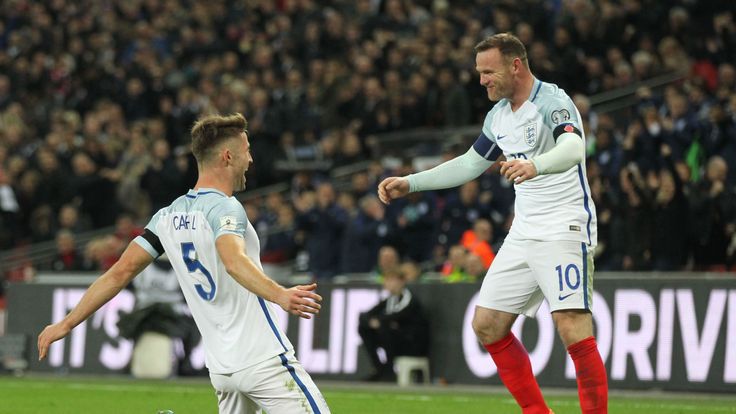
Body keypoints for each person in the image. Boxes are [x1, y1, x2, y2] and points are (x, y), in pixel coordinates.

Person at [38, 113, 331, 414]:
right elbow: (233, 261)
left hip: (222, 368)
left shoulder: (166, 216)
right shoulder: (226, 208)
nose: (251, 160)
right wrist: (280, 294)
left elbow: (118, 274)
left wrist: (66, 323)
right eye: (247, 151)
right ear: (228, 156)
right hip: (261, 358)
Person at [378, 33, 607, 414]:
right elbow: (470, 163)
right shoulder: (498, 115)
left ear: (515, 65)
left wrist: (536, 164)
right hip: (524, 231)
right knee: (487, 325)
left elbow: (573, 147)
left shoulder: (552, 101)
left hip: (564, 226)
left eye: (489, 72)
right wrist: (411, 182)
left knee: (571, 326)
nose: (482, 80)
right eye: (479, 73)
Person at [358, 268, 429, 382]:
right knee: (364, 328)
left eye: (391, 280)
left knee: (384, 329)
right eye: (386, 280)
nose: (387, 283)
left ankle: (389, 371)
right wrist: (374, 322)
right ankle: (379, 369)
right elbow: (365, 315)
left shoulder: (409, 299)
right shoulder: (389, 299)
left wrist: (381, 322)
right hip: (395, 338)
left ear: (401, 282)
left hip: (411, 343)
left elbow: (398, 315)